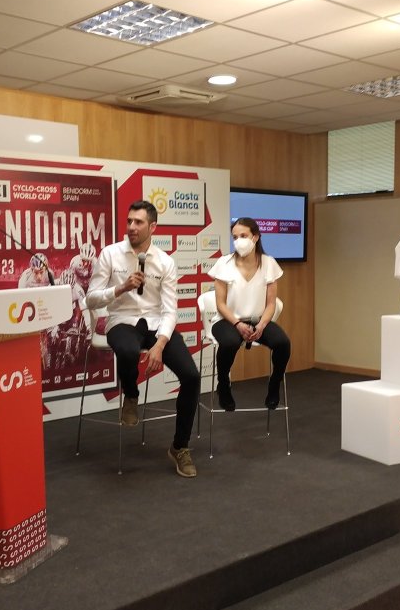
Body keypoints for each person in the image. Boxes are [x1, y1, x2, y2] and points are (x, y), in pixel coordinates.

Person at [85, 200, 200, 478]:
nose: (132, 227)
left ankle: (180, 447)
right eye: (129, 221)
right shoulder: (110, 254)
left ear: (153, 227)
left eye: (138, 222)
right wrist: (121, 287)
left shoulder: (165, 262)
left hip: (156, 324)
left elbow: (170, 310)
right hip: (121, 321)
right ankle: (131, 395)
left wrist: (160, 344)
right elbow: (91, 299)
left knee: (191, 376)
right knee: (127, 350)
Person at [208, 217, 291, 411]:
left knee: (283, 343)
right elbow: (220, 304)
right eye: (235, 237)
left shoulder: (269, 263)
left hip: (258, 320)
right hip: (228, 321)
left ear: (255, 237)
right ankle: (223, 385)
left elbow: (271, 304)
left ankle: (274, 384)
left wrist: (262, 324)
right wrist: (237, 324)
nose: (238, 241)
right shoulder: (224, 263)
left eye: (243, 236)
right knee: (229, 343)